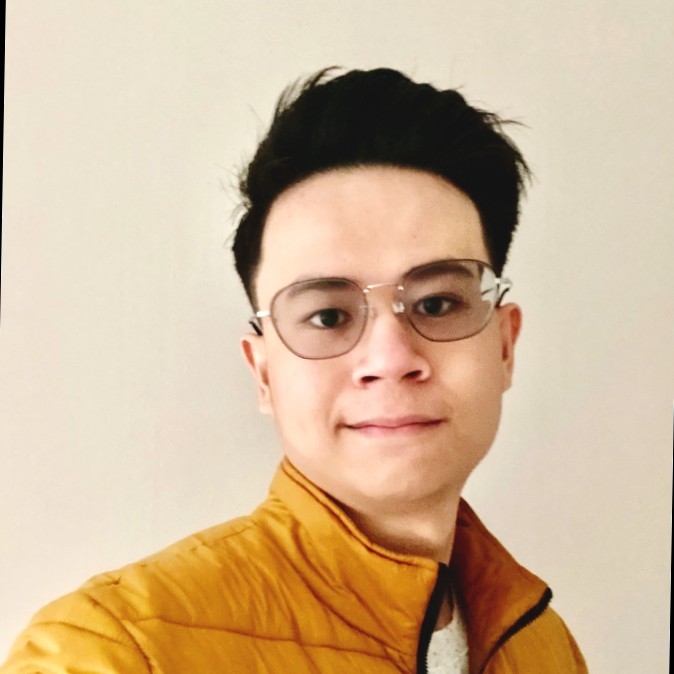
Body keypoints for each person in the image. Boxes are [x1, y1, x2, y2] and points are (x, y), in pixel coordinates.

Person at [2, 67, 587, 673]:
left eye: (437, 304)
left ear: (504, 346)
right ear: (263, 373)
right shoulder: (116, 650)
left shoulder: (543, 646)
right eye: (329, 316)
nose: (390, 359)